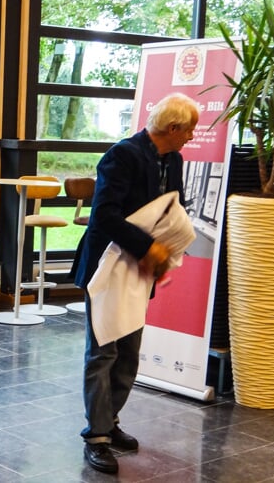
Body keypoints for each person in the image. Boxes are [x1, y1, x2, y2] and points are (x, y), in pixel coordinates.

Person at [71, 92, 199, 474]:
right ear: (173, 128)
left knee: (128, 351)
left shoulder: (173, 159)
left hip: (140, 268)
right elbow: (105, 217)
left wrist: (171, 243)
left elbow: (172, 206)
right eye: (189, 130)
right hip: (108, 266)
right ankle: (96, 437)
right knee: (103, 352)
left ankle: (110, 422)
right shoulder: (121, 155)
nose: (192, 137)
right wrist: (149, 248)